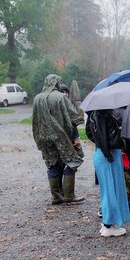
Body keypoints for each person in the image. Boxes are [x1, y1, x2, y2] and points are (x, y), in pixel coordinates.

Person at [32, 74, 85, 206]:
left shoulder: (37, 98)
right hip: (62, 137)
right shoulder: (61, 97)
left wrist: (38, 137)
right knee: (72, 161)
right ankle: (69, 195)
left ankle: (56, 197)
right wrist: (80, 115)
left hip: (44, 137)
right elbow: (73, 117)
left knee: (52, 164)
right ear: (56, 83)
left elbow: (34, 121)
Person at [86, 109, 130, 237]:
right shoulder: (102, 115)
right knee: (110, 190)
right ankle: (108, 224)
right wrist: (107, 152)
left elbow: (92, 134)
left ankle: (109, 223)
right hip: (108, 155)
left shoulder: (97, 115)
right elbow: (101, 136)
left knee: (111, 189)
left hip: (107, 154)